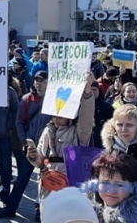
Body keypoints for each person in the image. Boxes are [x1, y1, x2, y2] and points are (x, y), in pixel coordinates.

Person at [27, 72, 95, 203]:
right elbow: (41, 162)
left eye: (62, 115)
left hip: (71, 186)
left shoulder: (79, 132)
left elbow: (87, 115)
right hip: (47, 186)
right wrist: (34, 156)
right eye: (55, 114)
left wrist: (87, 91)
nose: (58, 117)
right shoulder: (47, 130)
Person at [0, 71, 51, 218]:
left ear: (48, 82)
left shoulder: (54, 100)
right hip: (31, 147)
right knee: (21, 179)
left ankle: (41, 213)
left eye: (42, 80)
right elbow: (19, 121)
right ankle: (10, 208)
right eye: (36, 80)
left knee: (47, 181)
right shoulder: (27, 99)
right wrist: (24, 141)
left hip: (48, 149)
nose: (38, 83)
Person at [81, 150, 137, 222]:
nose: (111, 190)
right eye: (105, 183)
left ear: (132, 187)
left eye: (119, 185)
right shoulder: (82, 211)